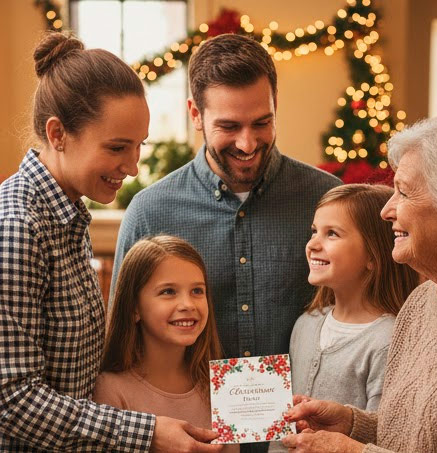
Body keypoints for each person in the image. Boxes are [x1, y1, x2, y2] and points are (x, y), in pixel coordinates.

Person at [112, 33, 340, 453]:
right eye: (229, 127)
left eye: (262, 122)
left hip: (304, 443)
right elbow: (122, 341)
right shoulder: (149, 212)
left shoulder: (327, 202)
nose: (248, 144)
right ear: (195, 115)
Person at [0, 32, 219, 452]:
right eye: (118, 147)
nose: (133, 167)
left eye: (138, 147)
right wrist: (147, 432)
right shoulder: (17, 227)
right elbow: (10, 399)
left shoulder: (67, 217)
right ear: (58, 133)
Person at [278, 111, 437, 453]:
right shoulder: (419, 302)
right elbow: (409, 433)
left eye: (402, 192)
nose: (387, 210)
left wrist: (355, 452)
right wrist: (352, 422)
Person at [266, 185, 418, 453]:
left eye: (332, 234)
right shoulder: (306, 324)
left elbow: (388, 435)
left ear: (373, 255)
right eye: (314, 231)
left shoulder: (389, 339)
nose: (313, 244)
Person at [94, 236, 239, 453]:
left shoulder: (222, 386)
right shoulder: (110, 391)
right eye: (168, 292)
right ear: (134, 307)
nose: (188, 304)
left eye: (197, 291)